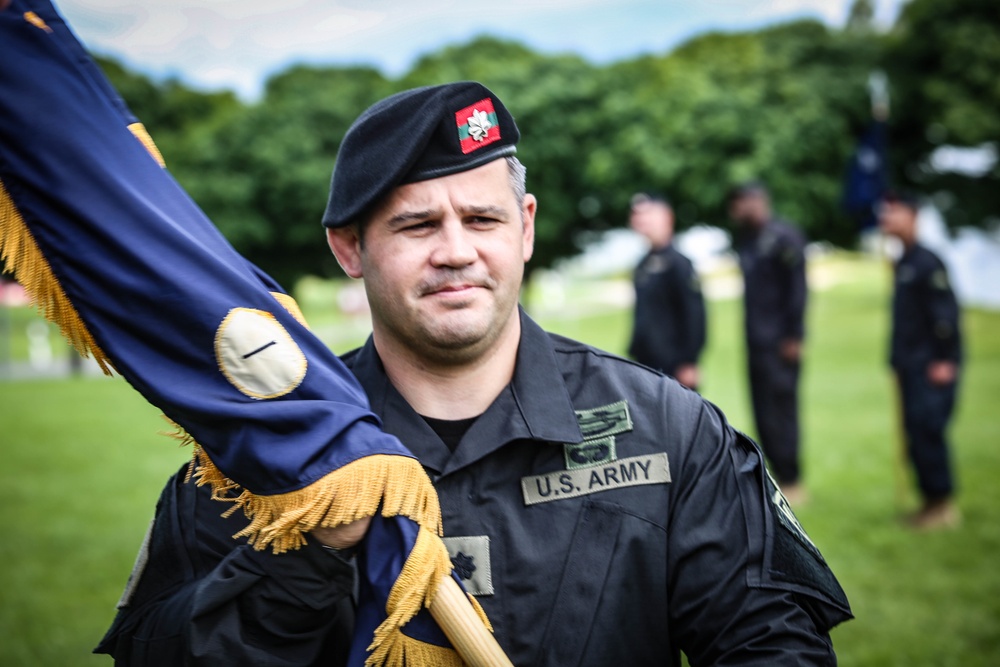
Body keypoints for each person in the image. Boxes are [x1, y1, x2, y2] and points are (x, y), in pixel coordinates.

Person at [97, 82, 851, 666]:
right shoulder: (258, 459)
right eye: (417, 224)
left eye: (483, 220)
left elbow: (773, 642)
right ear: (349, 250)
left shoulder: (671, 429)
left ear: (525, 226)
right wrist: (308, 553)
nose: (456, 250)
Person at [878, 191, 962, 530]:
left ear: (913, 216)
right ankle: (929, 501)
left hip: (931, 364)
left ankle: (942, 506)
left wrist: (944, 358)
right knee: (915, 430)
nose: (886, 219)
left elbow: (944, 316)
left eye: (894, 213)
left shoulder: (928, 261)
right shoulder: (904, 261)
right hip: (910, 364)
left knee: (928, 430)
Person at [728, 181, 808, 505]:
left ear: (756, 201)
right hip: (756, 343)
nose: (734, 211)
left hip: (781, 344)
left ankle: (792, 479)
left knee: (782, 409)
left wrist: (795, 335)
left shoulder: (784, 238)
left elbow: (797, 290)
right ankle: (773, 475)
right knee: (762, 411)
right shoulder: (748, 241)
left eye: (739, 203)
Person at [627, 192, 706, 390]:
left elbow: (695, 315)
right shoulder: (642, 265)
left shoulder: (679, 264)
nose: (642, 220)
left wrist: (690, 361)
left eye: (649, 214)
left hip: (676, 367)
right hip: (646, 364)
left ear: (667, 217)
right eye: (637, 214)